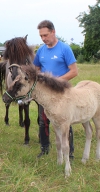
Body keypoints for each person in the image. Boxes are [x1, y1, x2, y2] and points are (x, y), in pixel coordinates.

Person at [33, 20, 78, 158]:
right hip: (45, 94)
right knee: (43, 120)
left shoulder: (65, 49)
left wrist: (56, 82)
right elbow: (36, 69)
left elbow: (74, 71)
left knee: (64, 121)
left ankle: (69, 152)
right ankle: (45, 148)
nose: (43, 38)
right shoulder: (40, 50)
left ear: (53, 32)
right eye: (41, 36)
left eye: (46, 35)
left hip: (62, 92)